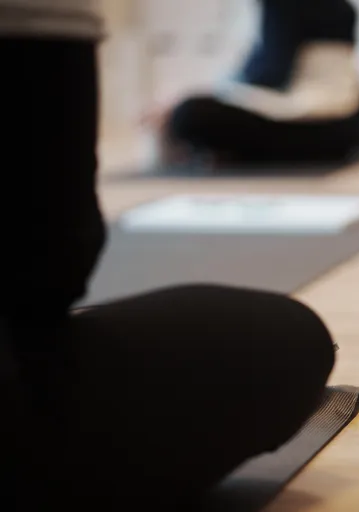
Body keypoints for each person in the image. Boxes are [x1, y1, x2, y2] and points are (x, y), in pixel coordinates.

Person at [1, 1, 336, 509]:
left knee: (191, 113)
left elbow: (308, 92)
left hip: (318, 118)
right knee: (291, 336)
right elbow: (52, 266)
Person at [150, 0, 359, 167]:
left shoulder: (282, 6)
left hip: (312, 120)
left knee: (187, 113)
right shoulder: (343, 6)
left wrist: (190, 98)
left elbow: (270, 75)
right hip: (352, 126)